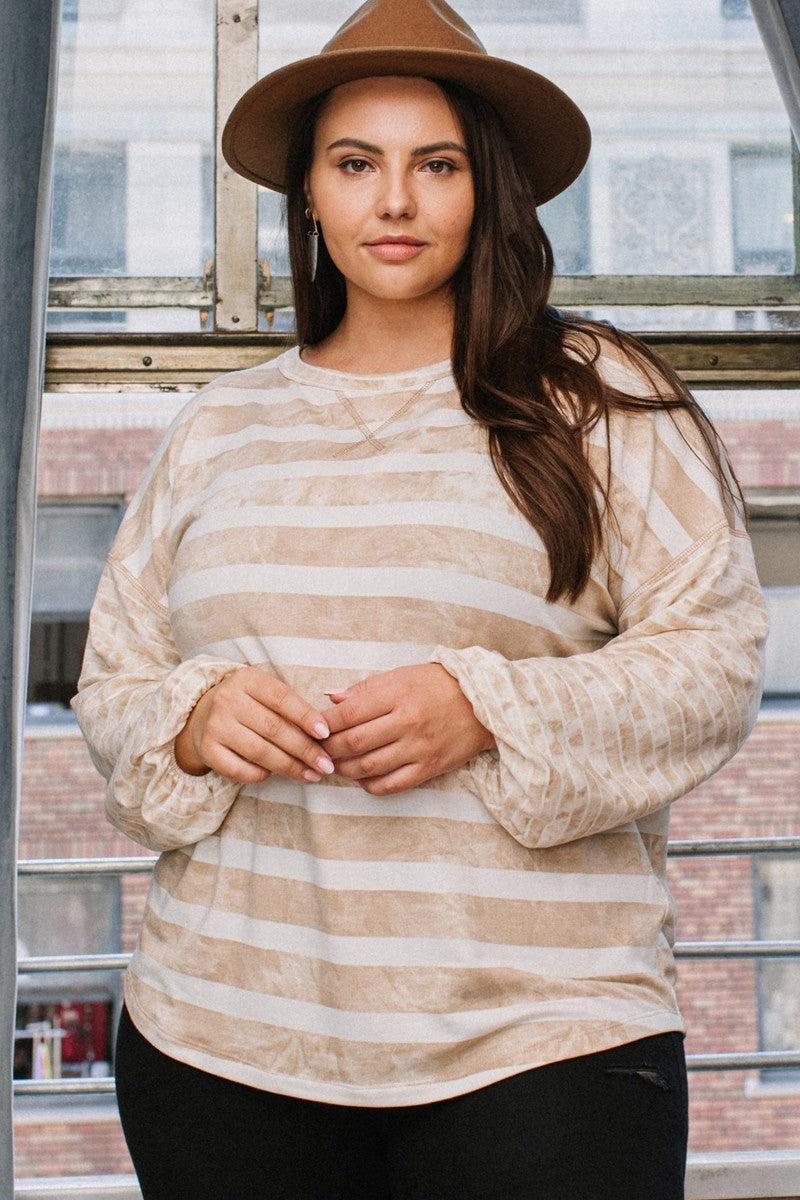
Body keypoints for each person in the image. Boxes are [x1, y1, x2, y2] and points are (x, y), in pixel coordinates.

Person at [70, 1, 769, 1197]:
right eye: (355, 164)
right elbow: (111, 687)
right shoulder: (215, 425)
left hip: (542, 1052)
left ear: (486, 190)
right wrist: (190, 718)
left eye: (433, 165)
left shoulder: (595, 396)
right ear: (308, 197)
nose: (392, 201)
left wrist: (484, 705)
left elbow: (713, 662)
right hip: (219, 1041)